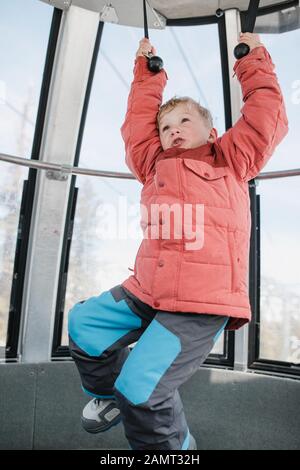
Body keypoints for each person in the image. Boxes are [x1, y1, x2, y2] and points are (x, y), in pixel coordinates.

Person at [68, 33, 288, 450]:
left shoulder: (231, 158)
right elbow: (137, 123)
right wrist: (146, 72)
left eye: (185, 121)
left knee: (143, 391)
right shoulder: (152, 164)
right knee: (84, 326)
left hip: (199, 302)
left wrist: (253, 59)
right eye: (166, 127)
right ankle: (109, 395)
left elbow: (266, 113)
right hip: (148, 289)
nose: (173, 131)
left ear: (212, 130)